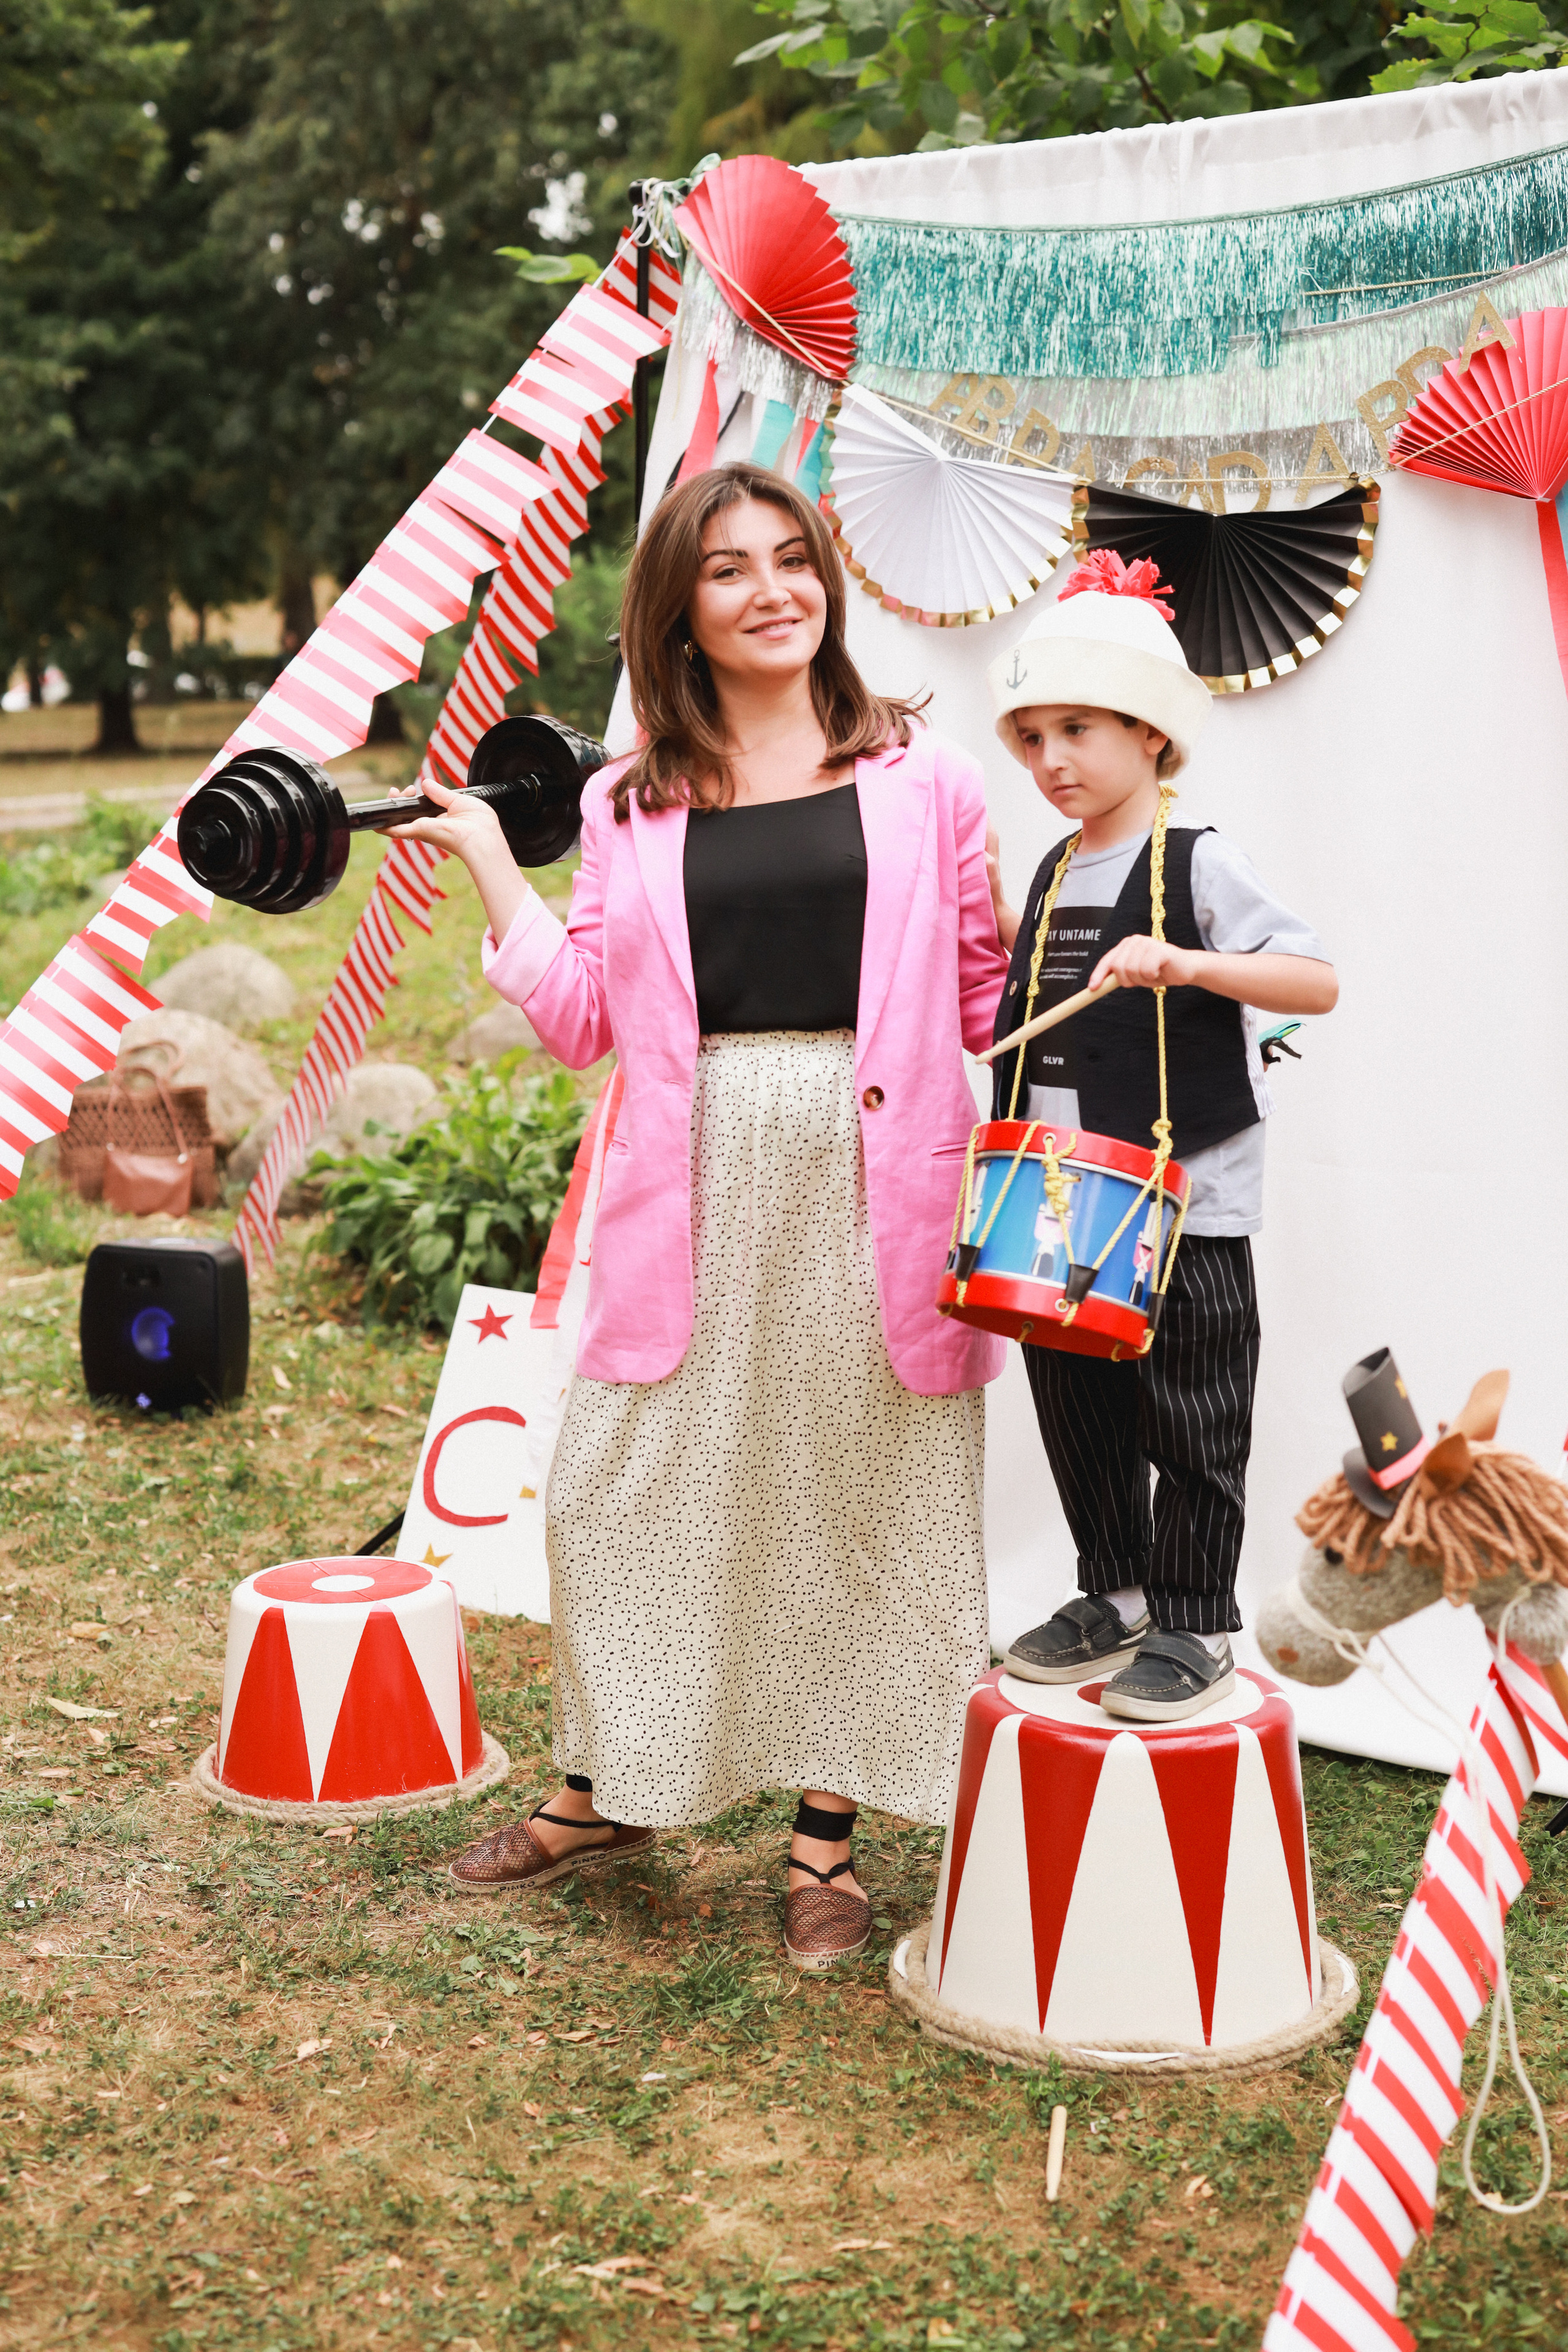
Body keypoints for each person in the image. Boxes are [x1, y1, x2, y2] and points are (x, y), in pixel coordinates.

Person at [388, 461, 1011, 1968]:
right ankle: (610, 1789)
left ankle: (823, 1844)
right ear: (678, 608)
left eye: (792, 560)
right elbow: (584, 1016)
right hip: (697, 1177)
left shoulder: (920, 778)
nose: (770, 590)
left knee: (859, 1493)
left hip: (881, 1180)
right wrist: (490, 864)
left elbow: (987, 994)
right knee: (627, 1482)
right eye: (728, 569)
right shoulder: (630, 799)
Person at [985, 551, 1338, 1723]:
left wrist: (1188, 962)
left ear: (1151, 735)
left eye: (1076, 730)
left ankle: (1194, 1622)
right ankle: (1116, 1588)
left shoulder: (1200, 860)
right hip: (1058, 1198)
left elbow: (1314, 981)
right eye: (1031, 738)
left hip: (1185, 1198)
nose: (1050, 762)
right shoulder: (1049, 871)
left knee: (1191, 1407)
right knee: (1075, 1401)